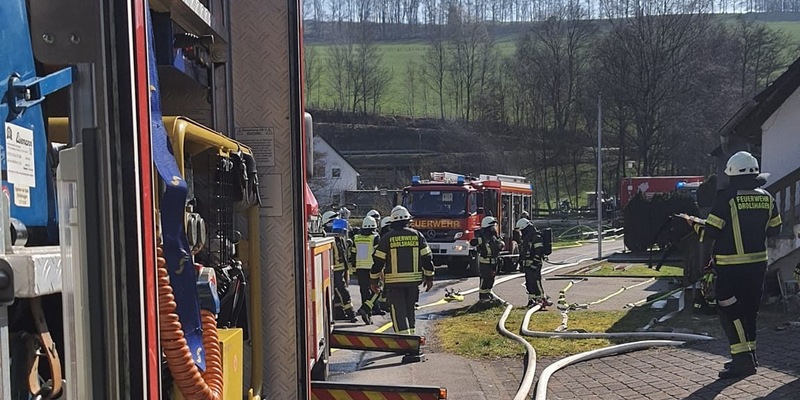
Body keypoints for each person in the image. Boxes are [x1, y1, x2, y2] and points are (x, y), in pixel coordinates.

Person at [686, 151, 781, 379]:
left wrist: (694, 224)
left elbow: (711, 232)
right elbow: (775, 229)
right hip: (758, 266)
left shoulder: (726, 198)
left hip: (731, 268)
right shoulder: (767, 197)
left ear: (732, 173)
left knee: (729, 310)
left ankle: (742, 361)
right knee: (749, 312)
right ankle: (750, 357)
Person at [370, 206, 434, 335]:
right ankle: (412, 340)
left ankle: (405, 342)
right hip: (413, 283)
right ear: (408, 220)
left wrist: (373, 280)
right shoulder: (417, 235)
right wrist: (429, 277)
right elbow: (427, 258)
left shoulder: (387, 238)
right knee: (410, 310)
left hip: (394, 284)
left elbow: (378, 261)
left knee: (399, 312)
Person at [323, 210, 357, 323]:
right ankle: (349, 313)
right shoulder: (327, 239)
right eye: (334, 222)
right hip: (333, 270)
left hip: (339, 269)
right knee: (341, 291)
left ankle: (341, 313)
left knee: (339, 292)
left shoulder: (338, 238)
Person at [350, 216, 383, 324]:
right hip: (372, 267)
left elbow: (353, 254)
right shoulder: (375, 237)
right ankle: (365, 309)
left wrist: (354, 268)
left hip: (360, 268)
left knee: (364, 291)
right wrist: (381, 269)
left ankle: (368, 316)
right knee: (377, 291)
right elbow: (378, 255)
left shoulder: (356, 237)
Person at [516, 218, 552, 308]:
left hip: (535, 264)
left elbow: (538, 251)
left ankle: (541, 299)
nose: (521, 232)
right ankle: (532, 300)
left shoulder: (536, 237)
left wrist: (534, 263)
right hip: (528, 264)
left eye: (522, 230)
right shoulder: (527, 237)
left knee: (536, 281)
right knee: (529, 282)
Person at [471, 216, 505, 303]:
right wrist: (478, 241)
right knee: (485, 280)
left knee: (491, 280)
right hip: (485, 263)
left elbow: (501, 245)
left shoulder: (495, 237)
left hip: (495, 262)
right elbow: (473, 242)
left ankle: (488, 294)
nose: (495, 227)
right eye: (494, 225)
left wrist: (500, 244)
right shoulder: (483, 238)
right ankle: (483, 297)